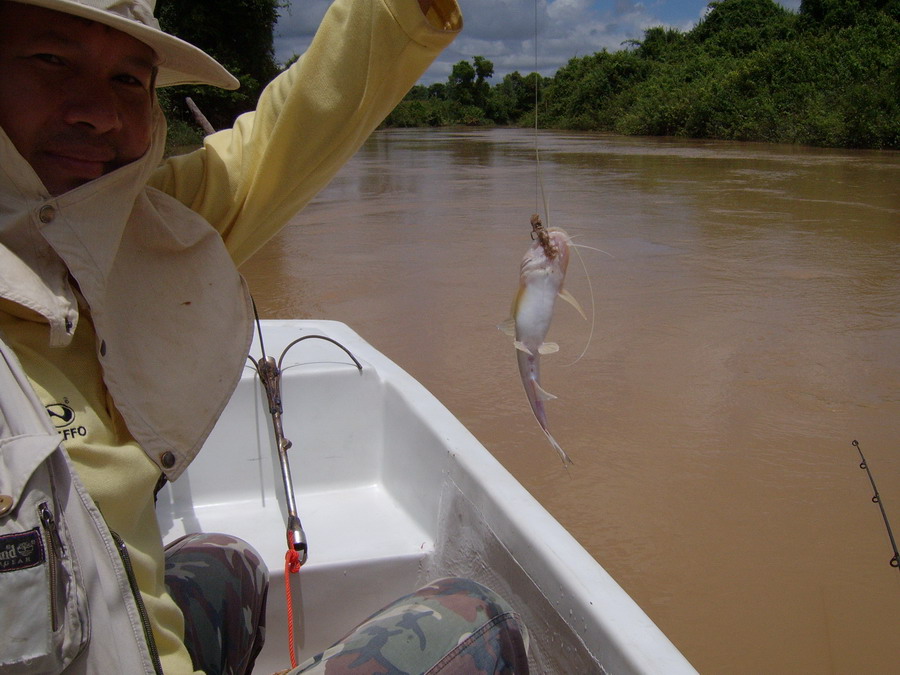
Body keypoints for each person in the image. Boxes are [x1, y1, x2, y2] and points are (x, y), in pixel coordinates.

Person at [0, 0, 530, 672]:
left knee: (230, 564)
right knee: (478, 623)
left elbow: (288, 135)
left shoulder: (135, 226)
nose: (98, 112)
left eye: (129, 80)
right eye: (52, 60)